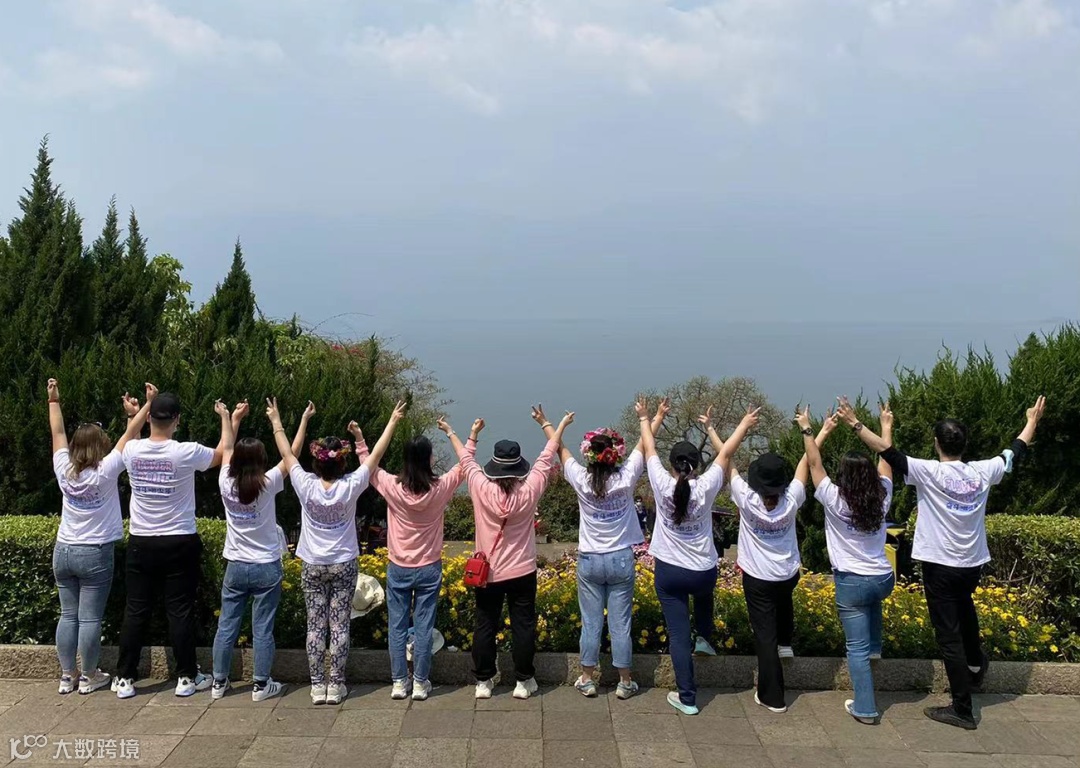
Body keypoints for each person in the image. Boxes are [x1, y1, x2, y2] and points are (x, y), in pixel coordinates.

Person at [842, 394, 1047, 730]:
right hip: (972, 563)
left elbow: (887, 452)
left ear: (936, 443)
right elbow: (1015, 450)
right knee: (965, 610)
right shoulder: (983, 470)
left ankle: (962, 709)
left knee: (949, 637)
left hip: (939, 565)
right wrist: (1032, 421)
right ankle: (976, 666)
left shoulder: (929, 471)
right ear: (964, 444)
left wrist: (855, 423)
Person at [267, 397, 405, 706]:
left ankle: (317, 685)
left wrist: (278, 420)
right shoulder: (351, 484)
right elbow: (376, 455)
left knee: (315, 626)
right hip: (343, 562)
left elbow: (287, 453)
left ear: (317, 463)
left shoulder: (305, 484)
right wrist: (393, 421)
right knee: (340, 624)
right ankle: (336, 684)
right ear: (342, 462)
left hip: (313, 563)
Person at [639, 401, 756, 715]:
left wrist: (646, 418)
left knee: (678, 635)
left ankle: (688, 698)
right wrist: (743, 424)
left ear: (672, 465)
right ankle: (704, 636)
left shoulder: (662, 483)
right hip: (703, 569)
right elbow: (726, 453)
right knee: (704, 593)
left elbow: (648, 446)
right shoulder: (706, 486)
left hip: (670, 572)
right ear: (696, 465)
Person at [354, 415, 479, 702]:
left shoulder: (393, 486)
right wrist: (465, 435)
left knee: (397, 627)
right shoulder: (440, 488)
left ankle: (399, 682)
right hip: (429, 567)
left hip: (399, 566)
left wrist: (360, 439)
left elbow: (368, 467)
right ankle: (421, 682)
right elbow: (465, 466)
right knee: (423, 627)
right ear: (428, 459)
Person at [114, 391, 227, 699]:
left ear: (149, 418)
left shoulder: (132, 450)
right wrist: (227, 420)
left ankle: (125, 678)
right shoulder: (185, 451)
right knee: (179, 610)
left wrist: (134, 413)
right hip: (179, 539)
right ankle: (186, 677)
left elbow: (129, 437)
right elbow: (220, 455)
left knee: (135, 610)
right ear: (177, 419)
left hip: (141, 540)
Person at [553, 401, 668, 700]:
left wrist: (549, 424)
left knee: (591, 623)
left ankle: (587, 678)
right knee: (620, 624)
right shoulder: (625, 479)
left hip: (590, 559)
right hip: (620, 559)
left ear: (589, 455)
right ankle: (624, 682)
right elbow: (644, 445)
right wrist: (652, 417)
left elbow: (559, 449)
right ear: (614, 455)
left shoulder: (582, 480)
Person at [457, 406, 574, 700]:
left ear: (495, 466)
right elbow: (547, 457)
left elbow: (466, 461)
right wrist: (555, 424)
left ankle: (483, 681)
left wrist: (469, 434)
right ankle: (523, 681)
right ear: (519, 465)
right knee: (523, 625)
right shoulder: (529, 489)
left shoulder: (481, 487)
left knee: (485, 623)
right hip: (522, 570)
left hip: (488, 572)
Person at [47, 379, 154, 696]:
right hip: (94, 551)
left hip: (63, 550)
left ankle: (67, 675)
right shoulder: (105, 470)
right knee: (90, 618)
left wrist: (53, 400)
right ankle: (88, 675)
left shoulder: (64, 468)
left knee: (68, 615)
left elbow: (57, 432)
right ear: (99, 445)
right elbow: (129, 436)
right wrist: (148, 405)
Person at [210, 399, 315, 702]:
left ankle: (218, 682)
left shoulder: (225, 482)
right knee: (263, 629)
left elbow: (226, 447)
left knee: (226, 626)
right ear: (260, 460)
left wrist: (229, 417)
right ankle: (260, 685)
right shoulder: (267, 483)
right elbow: (291, 455)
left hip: (236, 565)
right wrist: (295, 420)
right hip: (266, 565)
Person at [796, 404, 894, 724]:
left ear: (843, 476)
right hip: (883, 578)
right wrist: (884, 426)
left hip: (852, 581)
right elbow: (887, 458)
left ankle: (865, 708)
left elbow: (814, 462)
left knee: (856, 649)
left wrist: (809, 429)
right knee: (872, 601)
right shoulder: (883, 494)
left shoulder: (834, 497)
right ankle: (876, 647)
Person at [729, 412, 813, 715]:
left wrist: (731, 427)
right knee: (784, 600)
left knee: (765, 636)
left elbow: (727, 460)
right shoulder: (791, 500)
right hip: (787, 572)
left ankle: (773, 697)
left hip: (758, 576)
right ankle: (786, 641)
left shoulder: (747, 499)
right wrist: (811, 430)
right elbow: (807, 463)